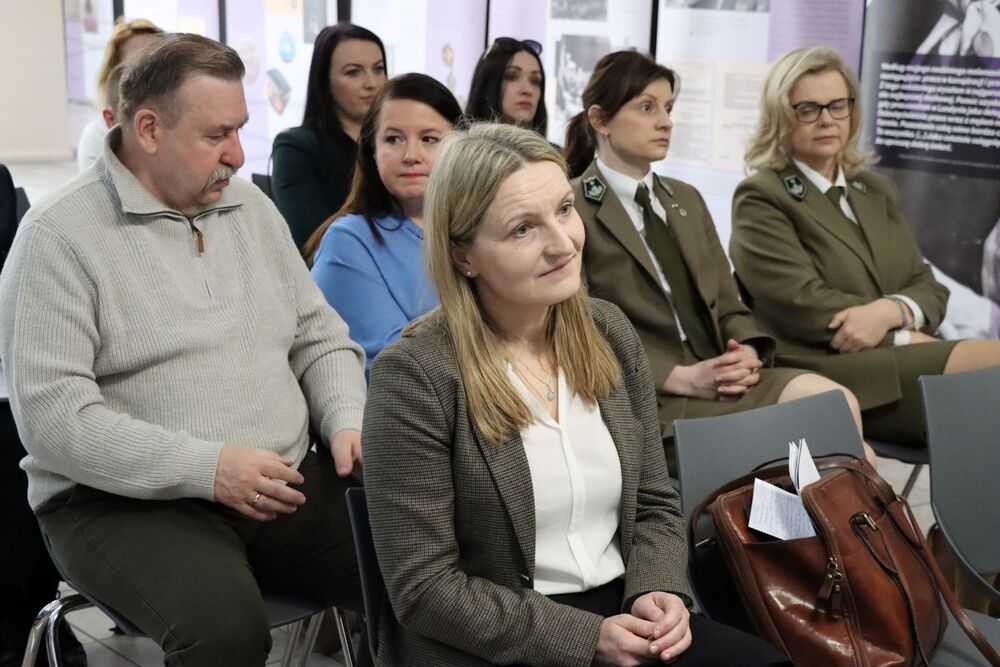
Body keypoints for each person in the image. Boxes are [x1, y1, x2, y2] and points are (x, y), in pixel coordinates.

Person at [361, 122, 791, 666]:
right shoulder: (415, 375)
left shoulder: (608, 331)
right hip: (494, 638)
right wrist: (585, 639)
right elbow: (424, 588)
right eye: (523, 229)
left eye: (564, 209)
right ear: (463, 256)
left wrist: (658, 588)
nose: (562, 243)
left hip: (625, 608)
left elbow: (653, 502)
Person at [0, 34, 370, 666]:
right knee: (223, 632)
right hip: (120, 500)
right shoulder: (57, 237)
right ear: (149, 129)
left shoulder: (250, 208)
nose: (238, 155)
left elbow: (319, 336)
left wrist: (345, 420)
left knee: (426, 570)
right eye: (216, 134)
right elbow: (55, 422)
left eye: (240, 129)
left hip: (276, 477)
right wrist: (208, 467)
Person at [563, 51, 863, 470]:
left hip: (720, 379)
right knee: (833, 450)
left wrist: (747, 352)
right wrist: (679, 376)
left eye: (668, 108)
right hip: (648, 399)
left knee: (838, 406)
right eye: (647, 108)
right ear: (600, 120)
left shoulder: (686, 199)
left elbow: (728, 303)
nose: (665, 122)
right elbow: (575, 328)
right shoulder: (571, 207)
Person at [730, 45, 1000, 447]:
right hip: (827, 369)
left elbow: (928, 286)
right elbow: (802, 304)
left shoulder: (873, 189)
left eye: (837, 106)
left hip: (897, 357)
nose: (827, 119)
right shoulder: (761, 195)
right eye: (808, 108)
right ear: (780, 116)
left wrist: (890, 312)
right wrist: (904, 336)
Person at [306, 74, 462, 374]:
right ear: (372, 152)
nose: (411, 156)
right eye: (393, 139)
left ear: (462, 148)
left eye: (429, 139)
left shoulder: (480, 231)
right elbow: (397, 367)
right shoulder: (348, 241)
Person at [272, 23, 387, 249]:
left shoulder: (397, 145)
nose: (371, 83)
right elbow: (313, 240)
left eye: (378, 69)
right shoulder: (296, 148)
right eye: (353, 72)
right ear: (324, 80)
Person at [76, 17, 163, 170]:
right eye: (137, 63)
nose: (150, 72)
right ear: (115, 73)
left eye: (158, 61)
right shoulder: (97, 138)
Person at [466, 37, 548, 135]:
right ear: (488, 84)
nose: (528, 90)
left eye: (535, 81)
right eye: (511, 77)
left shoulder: (552, 146)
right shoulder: (459, 144)